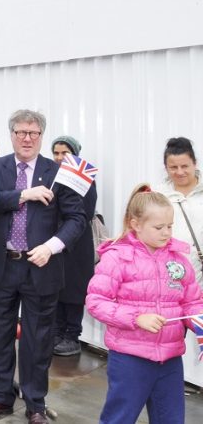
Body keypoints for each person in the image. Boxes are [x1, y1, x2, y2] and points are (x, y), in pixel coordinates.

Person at [0, 111, 86, 424]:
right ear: (11, 134)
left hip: (42, 266)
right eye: (21, 132)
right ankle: (0, 396)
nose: (27, 138)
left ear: (41, 136)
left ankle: (35, 403)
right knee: (0, 335)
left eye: (33, 133)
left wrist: (51, 247)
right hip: (2, 264)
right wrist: (23, 195)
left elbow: (77, 218)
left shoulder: (59, 172)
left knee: (38, 340)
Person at [87, 184, 203, 423]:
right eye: (159, 227)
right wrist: (136, 318)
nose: (166, 233)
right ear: (135, 224)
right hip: (130, 359)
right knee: (119, 418)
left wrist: (199, 320)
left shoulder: (179, 260)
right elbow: (96, 302)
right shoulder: (117, 258)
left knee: (171, 419)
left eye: (170, 226)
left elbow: (192, 302)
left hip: (170, 359)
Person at [50, 135, 98, 357]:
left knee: (74, 291)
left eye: (65, 153)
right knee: (57, 288)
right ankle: (57, 332)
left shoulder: (84, 179)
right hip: (55, 241)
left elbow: (85, 212)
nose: (60, 157)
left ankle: (72, 335)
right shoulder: (51, 176)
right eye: (56, 153)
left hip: (77, 244)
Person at [156, 137, 203, 286]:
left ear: (195, 163)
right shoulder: (158, 196)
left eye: (184, 166)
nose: (180, 172)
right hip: (169, 277)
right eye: (173, 167)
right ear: (166, 168)